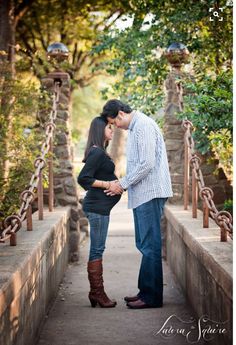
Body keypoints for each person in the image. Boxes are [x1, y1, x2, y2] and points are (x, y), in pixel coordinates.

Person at [101, 99, 173, 309]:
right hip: (143, 194)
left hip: (150, 193)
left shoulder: (144, 126)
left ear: (121, 114)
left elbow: (147, 164)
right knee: (144, 244)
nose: (114, 126)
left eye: (113, 122)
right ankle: (145, 291)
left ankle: (151, 297)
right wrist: (121, 182)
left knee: (149, 245)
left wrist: (121, 184)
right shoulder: (136, 128)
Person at [77, 116, 123, 308]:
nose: (112, 130)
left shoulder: (98, 152)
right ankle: (97, 293)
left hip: (100, 208)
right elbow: (83, 178)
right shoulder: (97, 153)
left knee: (98, 248)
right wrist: (108, 184)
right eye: (109, 127)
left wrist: (118, 185)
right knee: (97, 248)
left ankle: (96, 292)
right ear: (99, 130)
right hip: (97, 208)